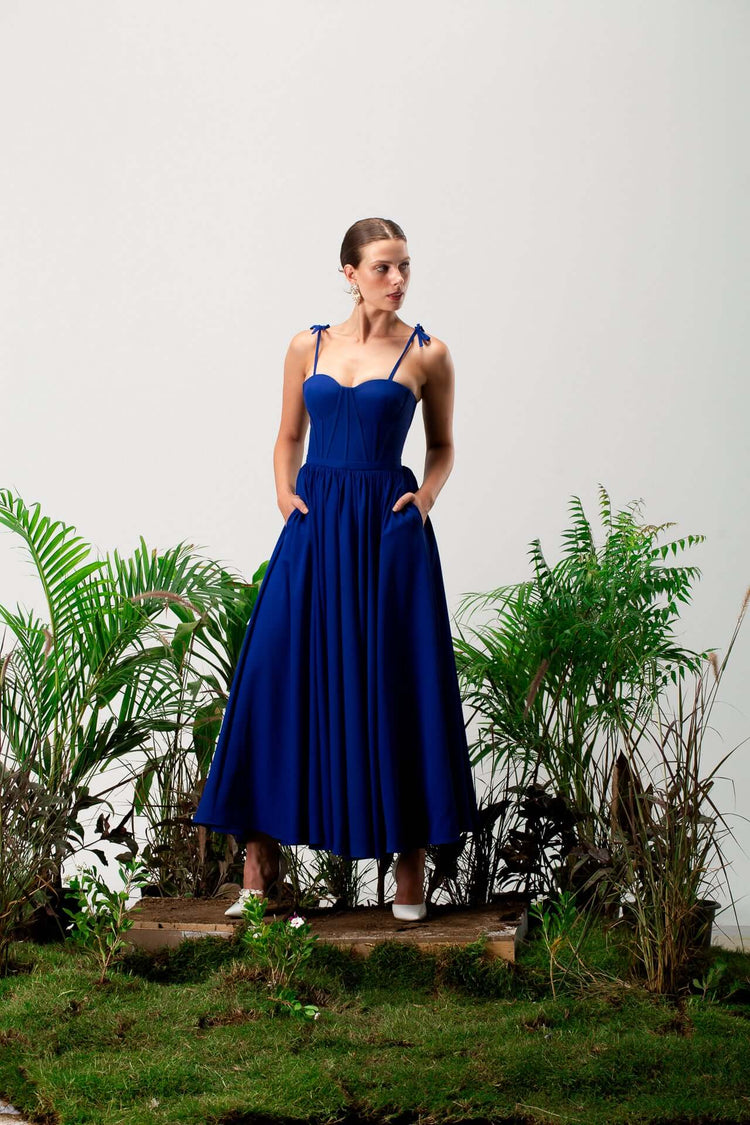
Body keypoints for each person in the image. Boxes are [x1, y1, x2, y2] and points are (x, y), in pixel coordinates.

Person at [192, 217, 479, 920]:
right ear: (349, 272)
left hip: (387, 531)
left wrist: (425, 500)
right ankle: (257, 867)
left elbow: (443, 446)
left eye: (405, 265)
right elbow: (288, 435)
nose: (398, 279)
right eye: (383, 267)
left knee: (397, 681)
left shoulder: (428, 353)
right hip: (316, 524)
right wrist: (284, 493)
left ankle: (409, 872)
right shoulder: (307, 345)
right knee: (275, 677)